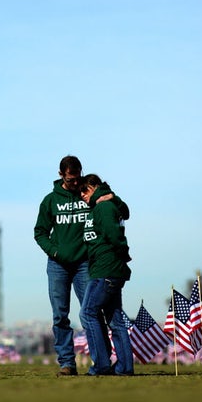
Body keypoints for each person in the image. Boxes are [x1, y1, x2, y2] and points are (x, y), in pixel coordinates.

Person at [34, 156, 129, 376]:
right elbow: (39, 232)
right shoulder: (50, 201)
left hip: (86, 264)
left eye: (77, 179)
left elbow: (121, 211)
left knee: (92, 313)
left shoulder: (89, 195)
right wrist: (55, 251)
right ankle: (67, 363)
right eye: (70, 180)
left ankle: (102, 362)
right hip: (58, 265)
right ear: (61, 175)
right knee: (60, 316)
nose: (75, 184)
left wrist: (112, 196)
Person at [78, 173, 133, 376]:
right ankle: (125, 367)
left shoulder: (104, 206)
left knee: (88, 313)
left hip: (105, 269)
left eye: (85, 190)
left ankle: (101, 364)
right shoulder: (102, 206)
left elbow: (114, 235)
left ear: (94, 186)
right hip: (106, 269)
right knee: (115, 319)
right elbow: (124, 213)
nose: (82, 195)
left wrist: (123, 253)